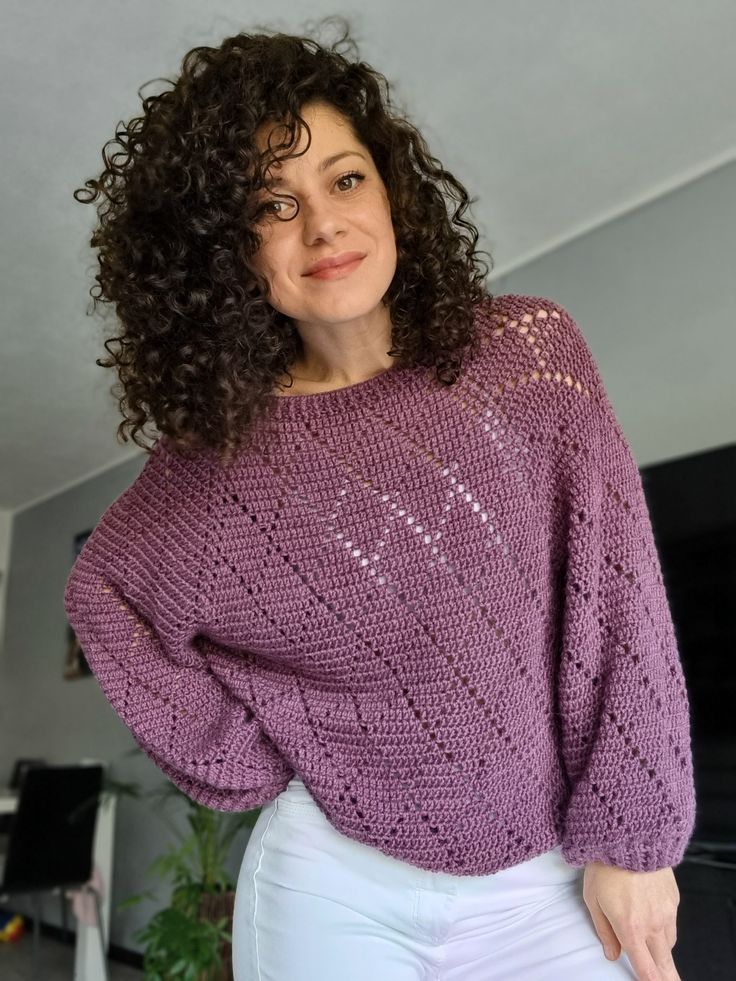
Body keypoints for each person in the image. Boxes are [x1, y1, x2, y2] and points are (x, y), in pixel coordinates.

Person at [64, 18, 696, 981]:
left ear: (392, 189)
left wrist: (637, 837)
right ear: (222, 252)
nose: (323, 226)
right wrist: (250, 754)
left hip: (555, 879)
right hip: (332, 880)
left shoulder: (527, 356)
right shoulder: (212, 462)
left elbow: (622, 604)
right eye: (272, 205)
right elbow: (104, 593)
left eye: (345, 178)